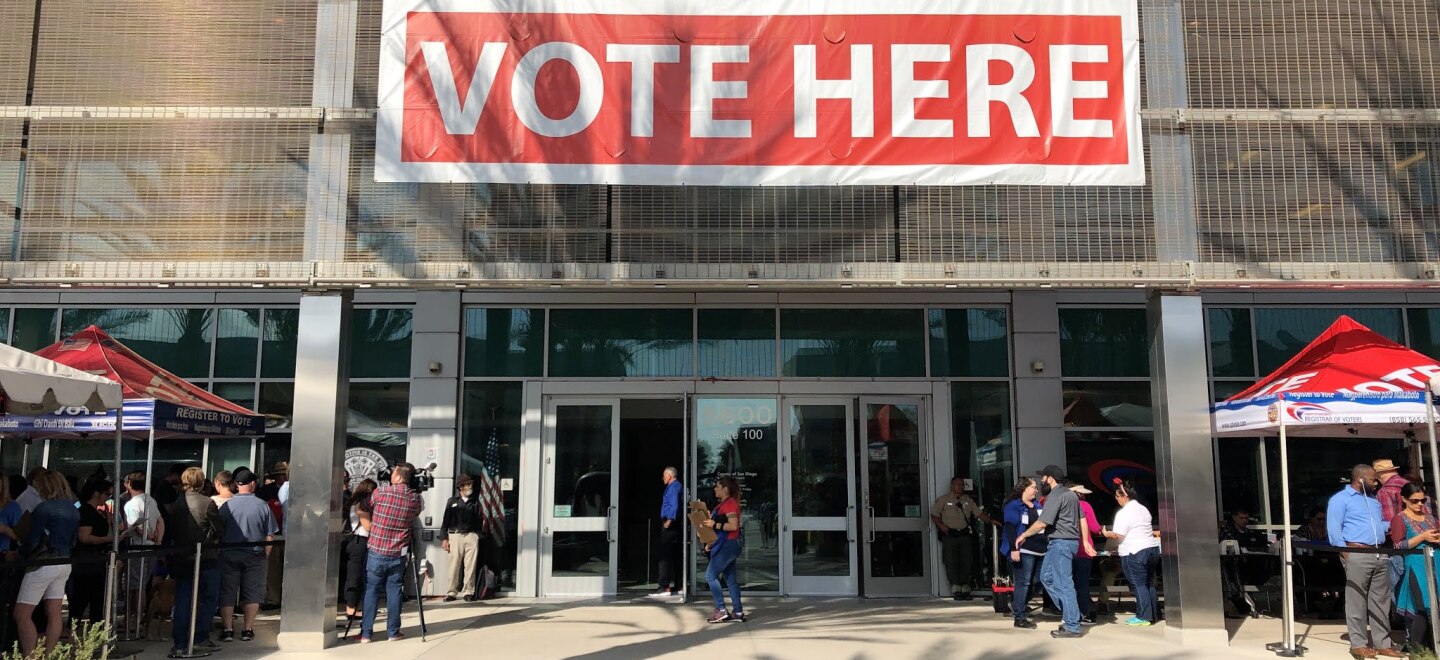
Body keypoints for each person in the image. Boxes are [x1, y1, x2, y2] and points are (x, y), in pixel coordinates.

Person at [1329, 463, 1404, 659]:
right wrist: (1346, 553)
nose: (1377, 483)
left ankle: (1382, 643)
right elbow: (1334, 529)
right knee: (1357, 600)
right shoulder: (1340, 499)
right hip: (1356, 552)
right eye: (1373, 479)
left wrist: (1397, 523)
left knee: (1381, 601)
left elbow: (1378, 524)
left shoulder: (1373, 500)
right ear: (1360, 479)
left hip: (1379, 552)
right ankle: (1358, 644)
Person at [1015, 465, 1083, 639]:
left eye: (1043, 477)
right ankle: (1072, 614)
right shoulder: (1071, 495)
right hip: (1065, 543)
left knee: (1063, 583)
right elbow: (1081, 518)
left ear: (1051, 478)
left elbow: (1042, 522)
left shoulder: (1055, 495)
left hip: (1061, 543)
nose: (1041, 481)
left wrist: (1023, 535)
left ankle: (1073, 624)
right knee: (1046, 577)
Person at [14, 471, 78, 655]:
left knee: (22, 613)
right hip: (64, 562)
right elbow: (74, 540)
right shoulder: (73, 508)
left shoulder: (44, 508)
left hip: (42, 563)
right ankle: (49, 654)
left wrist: (20, 553)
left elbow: (32, 540)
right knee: (54, 612)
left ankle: (30, 656)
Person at [360, 462, 424, 643]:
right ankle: (393, 632)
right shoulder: (414, 499)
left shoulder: (381, 492)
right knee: (394, 591)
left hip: (377, 550)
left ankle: (366, 633)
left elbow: (365, 505)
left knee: (372, 590)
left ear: (397, 477)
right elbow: (416, 512)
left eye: (392, 474)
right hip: (398, 553)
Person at [217, 467, 277, 643]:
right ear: (252, 484)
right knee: (252, 593)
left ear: (236, 484)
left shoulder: (226, 506)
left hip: (229, 554)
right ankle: (247, 629)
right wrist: (266, 555)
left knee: (227, 592)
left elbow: (218, 531)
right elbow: (269, 535)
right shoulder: (262, 506)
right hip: (255, 555)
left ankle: (228, 629)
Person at [169, 467, 224, 655]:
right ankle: (200, 637)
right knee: (209, 598)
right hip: (206, 556)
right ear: (201, 482)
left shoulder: (176, 504)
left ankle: (180, 643)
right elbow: (218, 529)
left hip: (181, 557)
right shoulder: (207, 503)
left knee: (183, 600)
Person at [1102, 478, 1161, 627]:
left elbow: (1118, 535)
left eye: (1117, 496)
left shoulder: (1124, 513)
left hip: (1134, 551)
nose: (1116, 500)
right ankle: (1154, 613)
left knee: (1138, 584)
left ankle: (1143, 616)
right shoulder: (1143, 509)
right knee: (1149, 584)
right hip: (1151, 549)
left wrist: (1106, 533)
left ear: (1124, 496)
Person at [931, 476, 998, 601]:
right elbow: (934, 514)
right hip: (950, 535)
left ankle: (966, 588)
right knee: (951, 561)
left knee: (967, 561)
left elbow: (978, 513)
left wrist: (990, 521)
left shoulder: (967, 500)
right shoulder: (944, 500)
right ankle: (956, 588)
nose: (960, 487)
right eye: (958, 485)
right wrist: (942, 527)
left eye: (962, 485)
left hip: (964, 535)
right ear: (952, 486)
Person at [1001, 477, 1045, 629]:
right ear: (1024, 488)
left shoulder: (1037, 504)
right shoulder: (1014, 505)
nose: (1036, 490)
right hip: (1024, 548)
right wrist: (1014, 548)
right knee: (1023, 581)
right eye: (1033, 487)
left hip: (1040, 548)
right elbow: (1010, 527)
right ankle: (1019, 616)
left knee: (1040, 579)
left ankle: (1017, 603)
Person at [69, 478, 113, 627]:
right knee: (84, 596)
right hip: (87, 560)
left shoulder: (93, 511)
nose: (108, 498)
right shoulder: (87, 511)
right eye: (107, 494)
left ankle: (89, 628)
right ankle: (75, 627)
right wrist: (108, 538)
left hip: (94, 559)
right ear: (96, 493)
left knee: (92, 597)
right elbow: (84, 537)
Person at [701, 476, 745, 624]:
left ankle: (721, 610)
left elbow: (733, 526)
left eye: (717, 486)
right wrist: (711, 542)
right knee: (731, 579)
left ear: (725, 489)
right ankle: (737, 611)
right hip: (729, 545)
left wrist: (714, 524)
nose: (715, 489)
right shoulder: (724, 505)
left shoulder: (729, 504)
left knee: (710, 576)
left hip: (728, 545)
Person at [121, 470, 164, 620]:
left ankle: (135, 617)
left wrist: (149, 535)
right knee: (143, 584)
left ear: (129, 484)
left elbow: (137, 527)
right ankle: (138, 616)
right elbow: (160, 521)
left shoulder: (131, 504)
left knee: (136, 586)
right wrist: (157, 540)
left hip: (137, 547)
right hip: (151, 547)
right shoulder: (150, 499)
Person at [441, 474, 483, 602]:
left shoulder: (475, 501)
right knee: (454, 565)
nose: (469, 487)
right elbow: (445, 521)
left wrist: (476, 534)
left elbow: (480, 519)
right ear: (460, 487)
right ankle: (452, 592)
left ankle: (468, 591)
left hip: (471, 535)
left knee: (470, 565)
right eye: (466, 485)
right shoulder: (452, 501)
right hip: (455, 535)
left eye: (470, 484)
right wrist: (444, 538)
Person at [341, 479, 376, 621]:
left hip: (354, 541)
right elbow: (368, 526)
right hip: (359, 540)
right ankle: (351, 609)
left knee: (355, 575)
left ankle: (352, 607)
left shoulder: (353, 501)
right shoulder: (361, 505)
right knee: (355, 575)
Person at [1374, 458, 1410, 599]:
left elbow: (1390, 522)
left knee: (1396, 584)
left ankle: (1399, 618)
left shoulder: (1385, 491)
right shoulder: (1409, 485)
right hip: (1418, 540)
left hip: (1397, 544)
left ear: (1380, 475)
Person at [1070, 484, 1105, 625]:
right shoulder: (1085, 505)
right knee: (1082, 584)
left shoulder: (1063, 505)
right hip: (1084, 549)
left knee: (1069, 584)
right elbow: (1095, 527)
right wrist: (1104, 531)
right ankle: (1086, 612)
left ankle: (1074, 612)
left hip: (1068, 549)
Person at [651, 467, 683, 598]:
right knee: (675, 554)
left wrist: (669, 520)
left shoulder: (673, 487)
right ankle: (679, 584)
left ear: (669, 476)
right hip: (674, 524)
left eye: (664, 475)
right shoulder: (677, 486)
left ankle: (664, 586)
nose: (663, 478)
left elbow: (674, 505)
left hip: (670, 524)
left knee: (664, 555)